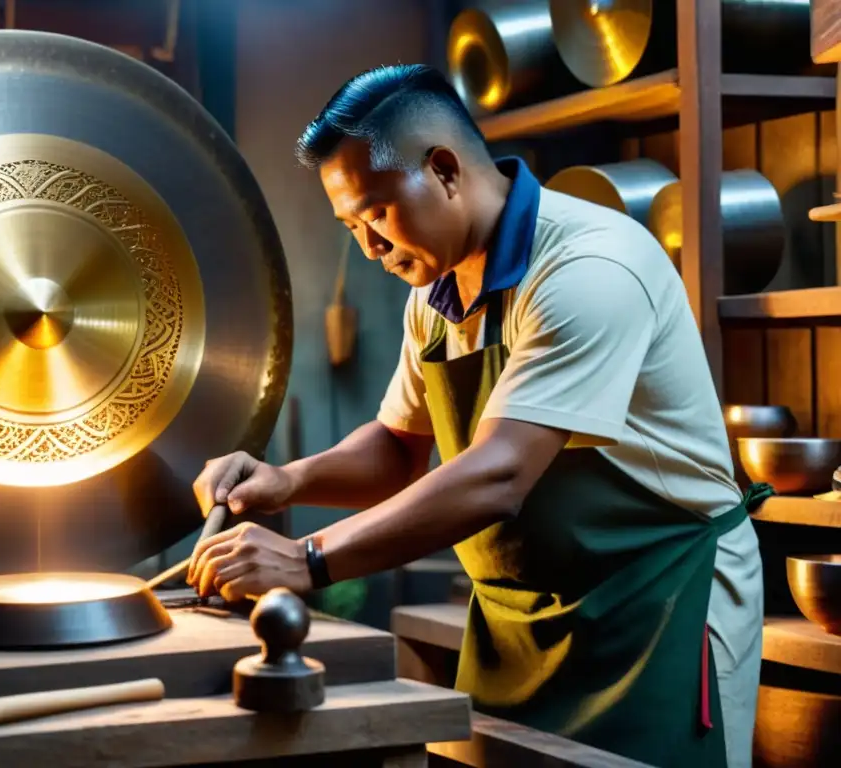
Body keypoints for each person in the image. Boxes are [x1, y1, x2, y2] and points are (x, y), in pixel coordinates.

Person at [186, 64, 767, 768]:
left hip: (656, 607)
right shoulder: (432, 295)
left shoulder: (589, 266)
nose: (369, 247)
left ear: (444, 170)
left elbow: (500, 474)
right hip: (517, 622)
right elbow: (399, 447)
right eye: (351, 226)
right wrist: (286, 479)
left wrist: (308, 559)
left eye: (375, 214)